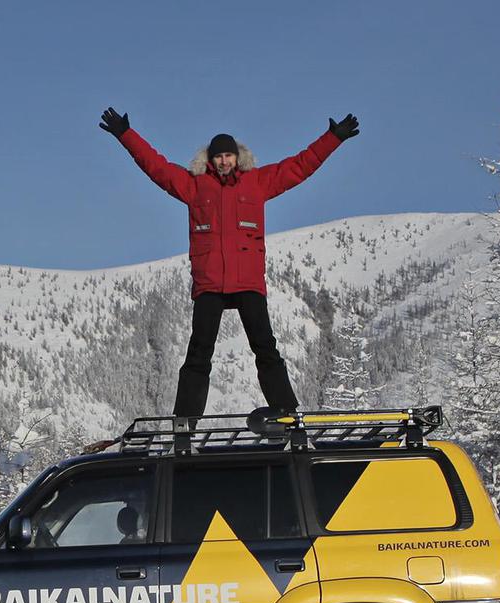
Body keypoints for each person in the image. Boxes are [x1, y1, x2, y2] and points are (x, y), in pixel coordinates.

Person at [99, 107, 359, 420]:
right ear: (210, 159)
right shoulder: (194, 186)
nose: (224, 161)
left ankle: (286, 412)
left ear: (238, 157)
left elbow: (300, 166)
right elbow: (157, 167)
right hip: (210, 284)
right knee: (198, 353)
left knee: (265, 347)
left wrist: (333, 138)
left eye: (229, 156)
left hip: (247, 282)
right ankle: (185, 422)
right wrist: (126, 135)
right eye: (219, 156)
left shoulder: (258, 182)